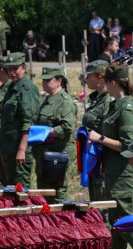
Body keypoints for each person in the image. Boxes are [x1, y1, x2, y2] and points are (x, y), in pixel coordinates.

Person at [87, 64, 133, 249]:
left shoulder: (126, 108)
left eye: (106, 82)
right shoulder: (117, 104)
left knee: (124, 219)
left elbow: (129, 145)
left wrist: (100, 139)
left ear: (112, 83)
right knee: (116, 220)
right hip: (114, 171)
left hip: (125, 173)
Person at [0, 52, 40, 187]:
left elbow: (29, 122)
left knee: (21, 188)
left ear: (24, 68)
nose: (12, 72)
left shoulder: (26, 88)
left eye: (15, 68)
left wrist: (21, 149)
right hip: (10, 147)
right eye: (9, 69)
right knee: (11, 187)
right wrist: (5, 151)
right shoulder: (12, 87)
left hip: (20, 148)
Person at [33, 66, 76, 200]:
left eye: (48, 80)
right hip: (44, 153)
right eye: (43, 80)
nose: (44, 83)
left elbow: (67, 127)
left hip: (57, 153)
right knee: (44, 189)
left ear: (59, 81)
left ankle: (60, 219)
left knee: (57, 190)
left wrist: (44, 132)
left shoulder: (64, 101)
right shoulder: (49, 100)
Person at [81, 60, 110, 202]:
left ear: (100, 77)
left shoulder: (108, 101)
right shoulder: (97, 100)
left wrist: (104, 162)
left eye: (89, 76)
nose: (86, 79)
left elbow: (109, 133)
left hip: (102, 160)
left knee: (102, 207)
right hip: (93, 158)